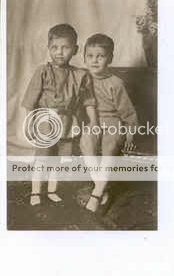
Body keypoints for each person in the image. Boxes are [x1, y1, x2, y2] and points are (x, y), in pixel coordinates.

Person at [22, 24, 97, 206]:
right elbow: (30, 102)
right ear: (49, 48)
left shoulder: (80, 75)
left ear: (75, 50)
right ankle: (35, 192)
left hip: (67, 123)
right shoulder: (43, 71)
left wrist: (94, 122)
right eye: (54, 47)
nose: (59, 52)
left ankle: (52, 190)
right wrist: (30, 125)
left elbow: (88, 102)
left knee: (56, 161)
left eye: (65, 48)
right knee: (42, 158)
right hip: (46, 122)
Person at [79, 33, 138, 212]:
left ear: (110, 59)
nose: (95, 60)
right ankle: (102, 187)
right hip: (92, 121)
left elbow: (128, 112)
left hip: (113, 121)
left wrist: (130, 136)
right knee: (86, 143)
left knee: (110, 146)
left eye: (100, 56)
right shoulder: (82, 79)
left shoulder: (116, 83)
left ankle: (96, 195)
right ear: (84, 58)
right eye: (90, 56)